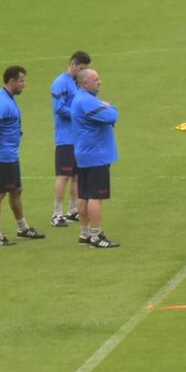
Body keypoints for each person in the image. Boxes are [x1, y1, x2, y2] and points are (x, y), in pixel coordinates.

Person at [0, 66, 45, 246]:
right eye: (22, 80)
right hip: (4, 156)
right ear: (12, 81)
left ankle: (22, 227)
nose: (24, 84)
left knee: (16, 190)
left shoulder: (6, 98)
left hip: (10, 154)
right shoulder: (3, 103)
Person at [71, 69, 120, 248]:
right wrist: (109, 106)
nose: (100, 82)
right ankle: (96, 235)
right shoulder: (87, 102)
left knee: (84, 195)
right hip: (96, 155)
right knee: (95, 197)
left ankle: (84, 233)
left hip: (84, 154)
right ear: (85, 83)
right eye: (96, 80)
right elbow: (112, 116)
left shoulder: (81, 99)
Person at [50, 51, 91, 227]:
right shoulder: (60, 83)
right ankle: (56, 214)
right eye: (81, 69)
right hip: (65, 138)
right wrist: (78, 115)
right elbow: (58, 108)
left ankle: (73, 209)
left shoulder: (76, 83)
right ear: (73, 65)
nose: (83, 73)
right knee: (63, 175)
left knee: (76, 175)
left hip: (78, 137)